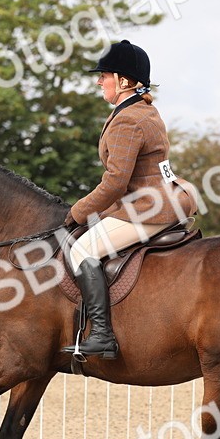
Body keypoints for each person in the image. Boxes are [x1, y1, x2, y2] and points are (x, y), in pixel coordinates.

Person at [61, 40, 198, 359]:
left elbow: (114, 183)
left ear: (124, 81)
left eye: (104, 75)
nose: (99, 81)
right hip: (162, 197)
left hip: (148, 208)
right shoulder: (144, 109)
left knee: (82, 249)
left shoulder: (128, 119)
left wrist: (79, 211)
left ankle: (103, 335)